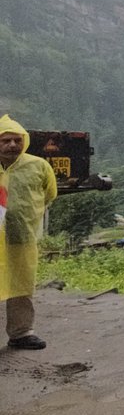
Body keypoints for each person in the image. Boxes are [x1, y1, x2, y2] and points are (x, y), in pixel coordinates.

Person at [0, 116, 57, 349]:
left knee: (20, 285)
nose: (12, 145)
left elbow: (49, 194)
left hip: (21, 238)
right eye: (6, 141)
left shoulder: (38, 166)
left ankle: (21, 333)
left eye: (17, 140)